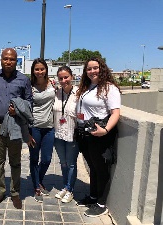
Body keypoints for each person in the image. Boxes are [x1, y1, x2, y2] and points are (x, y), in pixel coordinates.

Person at [75, 57, 121, 217]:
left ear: (102, 69)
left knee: (101, 169)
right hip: (85, 134)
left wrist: (106, 130)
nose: (92, 71)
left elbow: (115, 113)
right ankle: (93, 196)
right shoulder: (88, 87)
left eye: (95, 68)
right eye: (89, 69)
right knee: (93, 167)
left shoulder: (109, 88)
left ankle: (101, 203)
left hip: (99, 135)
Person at [0, 48, 33, 209]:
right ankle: (0, 192)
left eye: (12, 59)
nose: (8, 62)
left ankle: (15, 193)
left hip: (15, 124)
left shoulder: (23, 79)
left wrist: (18, 111)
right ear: (1, 59)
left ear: (16, 61)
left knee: (15, 161)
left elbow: (29, 102)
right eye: (6, 59)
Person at [27, 58, 55, 203]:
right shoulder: (29, 87)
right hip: (34, 127)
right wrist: (27, 132)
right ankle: (36, 186)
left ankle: (39, 180)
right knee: (33, 158)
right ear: (33, 71)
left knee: (46, 159)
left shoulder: (53, 84)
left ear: (46, 70)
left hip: (49, 128)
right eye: (36, 69)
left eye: (42, 69)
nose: (39, 72)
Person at [53, 66, 79, 203]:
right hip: (58, 134)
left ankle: (70, 189)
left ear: (72, 77)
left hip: (72, 134)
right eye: (61, 78)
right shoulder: (57, 92)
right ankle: (65, 186)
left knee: (71, 163)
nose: (63, 80)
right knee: (63, 163)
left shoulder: (79, 93)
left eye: (66, 77)